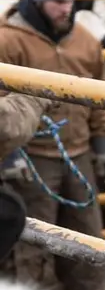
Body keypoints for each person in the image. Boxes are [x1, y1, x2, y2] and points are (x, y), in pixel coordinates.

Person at [0, 0, 105, 290]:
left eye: (70, 2)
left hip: (77, 155)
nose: (66, 9)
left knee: (89, 248)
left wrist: (104, 147)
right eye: (57, 2)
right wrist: (10, 157)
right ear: (38, 0)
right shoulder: (8, 40)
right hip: (31, 160)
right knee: (30, 250)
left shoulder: (87, 42)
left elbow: (100, 97)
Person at [0, 92, 54, 265]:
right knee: (10, 211)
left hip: (77, 145)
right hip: (38, 153)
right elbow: (5, 125)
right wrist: (35, 97)